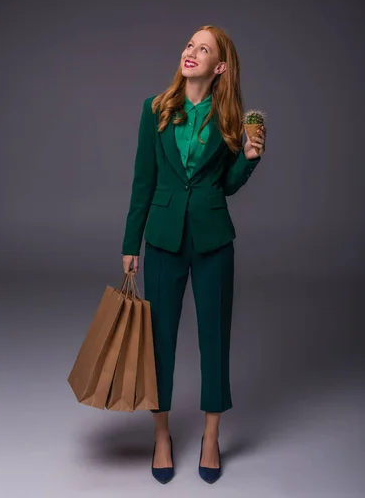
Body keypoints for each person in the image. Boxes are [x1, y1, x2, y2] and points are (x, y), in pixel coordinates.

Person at [121, 25, 266, 484]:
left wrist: (250, 158)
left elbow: (224, 185)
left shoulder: (231, 118)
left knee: (214, 339)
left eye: (204, 49)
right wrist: (131, 244)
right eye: (189, 45)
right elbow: (143, 180)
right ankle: (161, 435)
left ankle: (210, 435)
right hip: (162, 239)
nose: (191, 52)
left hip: (212, 241)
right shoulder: (155, 109)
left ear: (219, 66)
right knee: (159, 343)